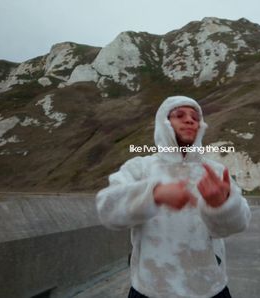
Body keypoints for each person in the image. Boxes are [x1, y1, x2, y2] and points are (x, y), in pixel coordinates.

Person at [96, 95, 251, 298]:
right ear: (163, 124)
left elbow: (237, 225)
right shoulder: (139, 167)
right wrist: (155, 194)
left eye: (195, 118)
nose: (189, 120)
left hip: (209, 288)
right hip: (151, 289)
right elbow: (108, 210)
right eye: (179, 115)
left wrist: (222, 205)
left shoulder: (214, 171)